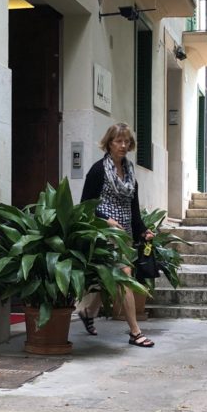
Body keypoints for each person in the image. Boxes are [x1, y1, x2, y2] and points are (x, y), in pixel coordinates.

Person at [76, 122, 155, 348]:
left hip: (125, 234)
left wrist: (143, 231)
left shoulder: (131, 175)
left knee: (108, 276)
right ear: (109, 143)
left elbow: (134, 210)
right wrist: (106, 219)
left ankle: (89, 312)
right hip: (104, 233)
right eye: (118, 141)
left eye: (126, 141)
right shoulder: (98, 171)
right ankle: (135, 332)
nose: (123, 145)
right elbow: (85, 205)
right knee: (124, 274)